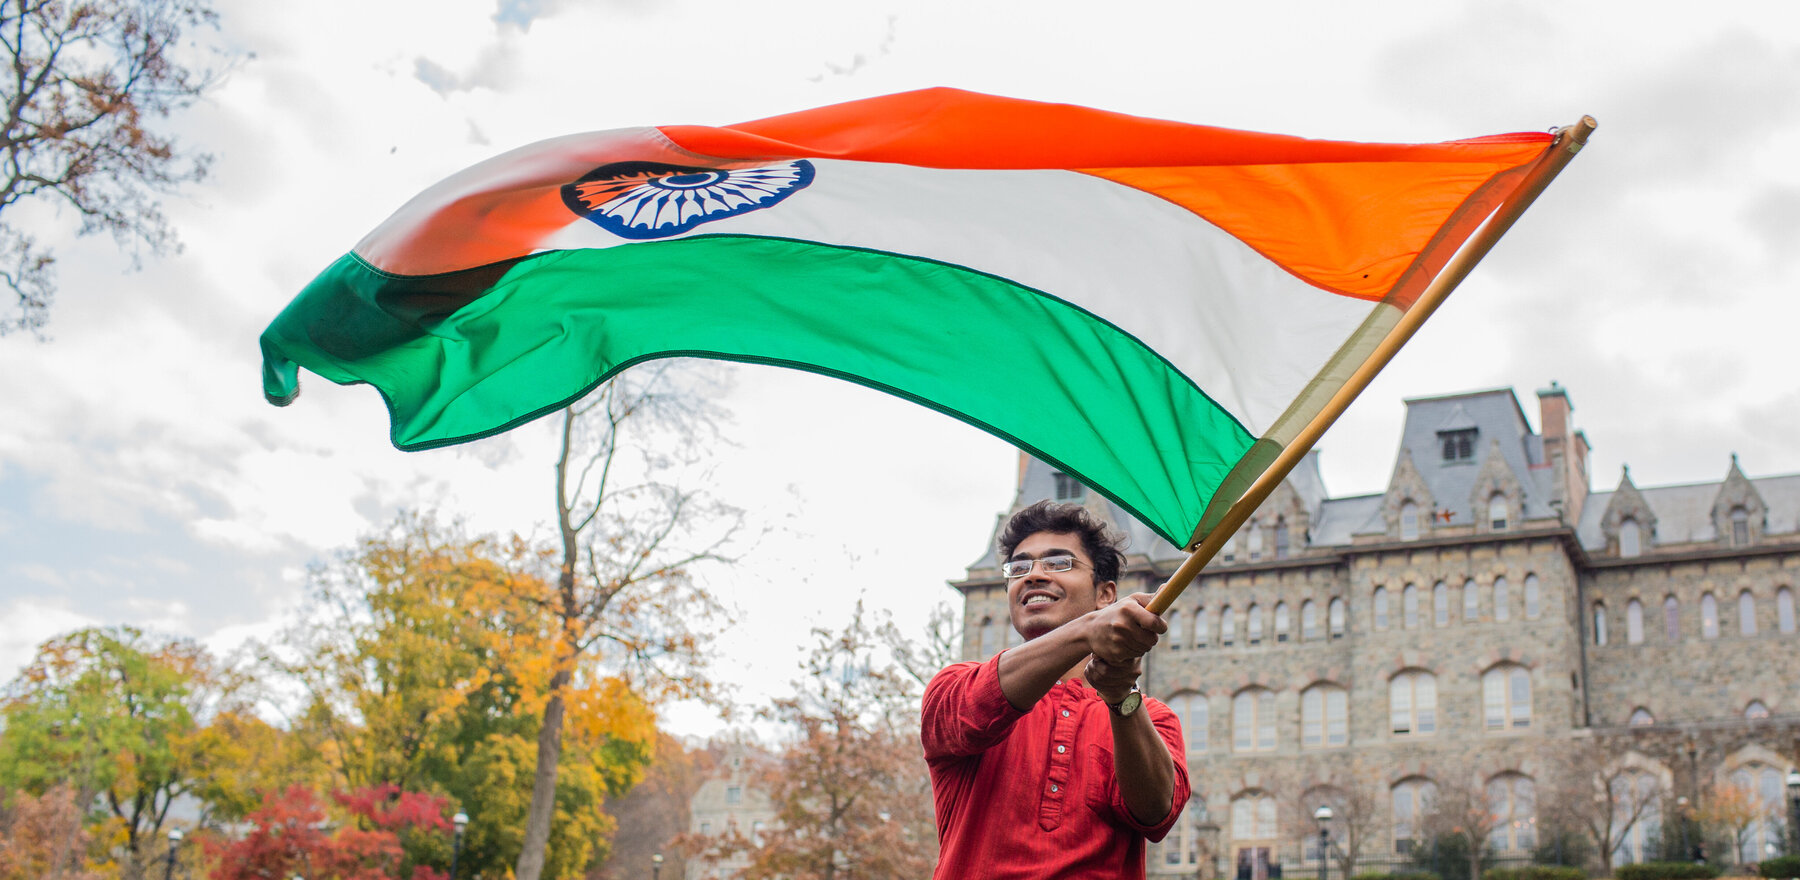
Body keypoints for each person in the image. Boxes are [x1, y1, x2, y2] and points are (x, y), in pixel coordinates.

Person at [922, 500, 1190, 878]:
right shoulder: (953, 687)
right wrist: (1087, 629)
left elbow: (1156, 812)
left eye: (1058, 563)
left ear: (1106, 594)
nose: (1032, 575)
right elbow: (974, 714)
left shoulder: (1153, 719)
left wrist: (1121, 696)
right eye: (1019, 567)